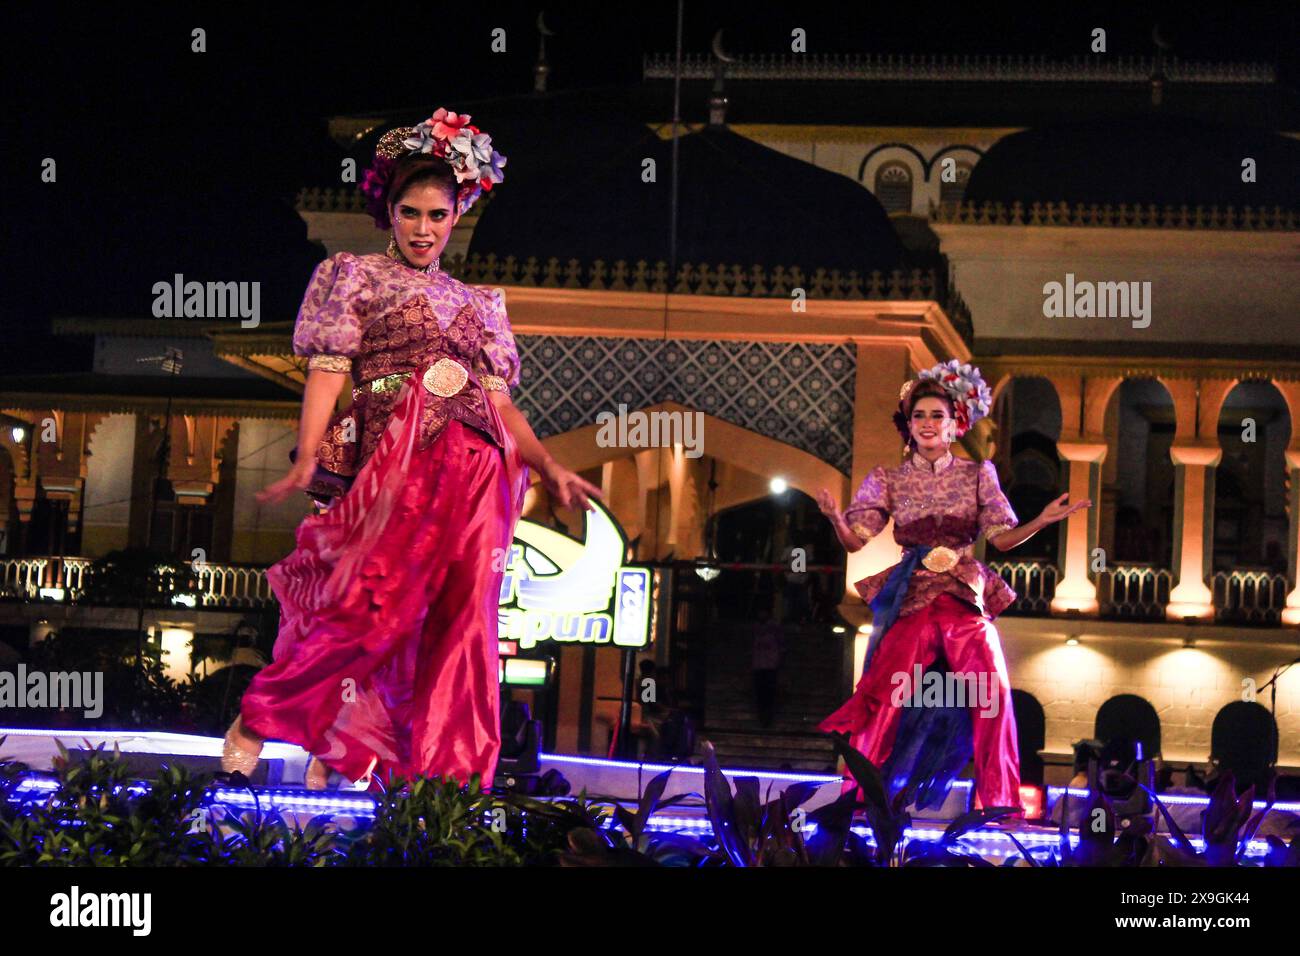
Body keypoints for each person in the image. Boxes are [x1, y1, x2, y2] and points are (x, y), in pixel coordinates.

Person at [220, 108, 603, 791]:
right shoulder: (356, 277)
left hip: (479, 466)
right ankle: (267, 718)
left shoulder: (482, 303)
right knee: (372, 609)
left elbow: (501, 401)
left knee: (461, 628)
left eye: (437, 214)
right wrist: (308, 453)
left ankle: (435, 778)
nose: (424, 228)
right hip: (396, 460)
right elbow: (329, 369)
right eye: (410, 213)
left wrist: (548, 464)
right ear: (388, 212)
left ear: (458, 216)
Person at [815, 361, 1089, 812]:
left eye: (937, 416)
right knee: (885, 695)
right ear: (908, 425)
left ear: (954, 424)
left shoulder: (977, 474)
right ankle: (857, 794)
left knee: (993, 695)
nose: (927, 424)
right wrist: (832, 518)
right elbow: (855, 541)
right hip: (914, 598)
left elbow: (999, 537)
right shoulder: (888, 478)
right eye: (919, 416)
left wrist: (1041, 520)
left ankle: (997, 802)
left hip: (963, 597)